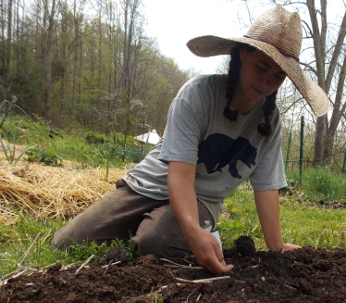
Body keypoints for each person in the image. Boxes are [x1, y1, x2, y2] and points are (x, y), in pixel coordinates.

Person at [52, 5, 329, 275]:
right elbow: (181, 175)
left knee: (155, 243)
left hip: (201, 199)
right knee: (67, 242)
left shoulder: (270, 122)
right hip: (150, 186)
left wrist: (276, 245)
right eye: (262, 67)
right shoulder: (199, 94)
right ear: (242, 54)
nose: (266, 82)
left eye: (278, 76)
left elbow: (266, 186)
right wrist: (192, 230)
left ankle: (165, 228)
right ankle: (154, 222)